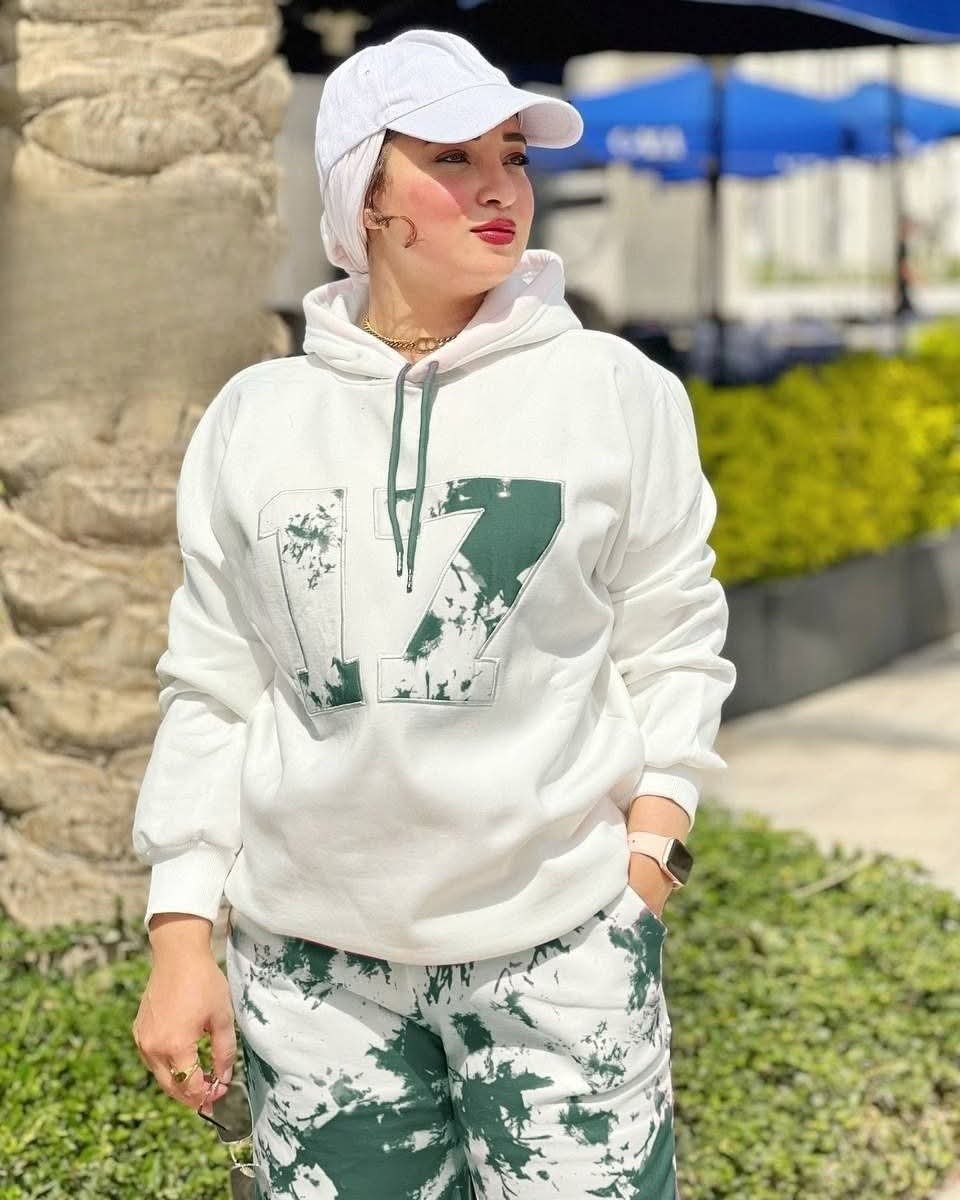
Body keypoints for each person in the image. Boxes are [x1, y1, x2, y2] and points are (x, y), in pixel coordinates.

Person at [130, 27, 737, 1200]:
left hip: (562, 961)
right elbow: (214, 686)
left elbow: (673, 640)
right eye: (452, 157)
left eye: (512, 154)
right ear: (364, 191)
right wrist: (181, 933)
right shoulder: (258, 416)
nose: (499, 185)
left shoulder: (614, 394)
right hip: (312, 985)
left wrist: (649, 862)